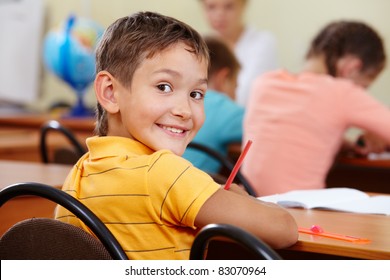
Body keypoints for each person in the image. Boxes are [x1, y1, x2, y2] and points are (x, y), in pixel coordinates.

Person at [54, 11, 297, 260]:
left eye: (196, 94)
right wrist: (246, 201)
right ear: (110, 93)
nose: (184, 110)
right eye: (164, 87)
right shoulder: (164, 172)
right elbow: (285, 229)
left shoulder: (78, 175)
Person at [242, 20, 390, 196]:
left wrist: (344, 144)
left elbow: (293, 131)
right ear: (351, 68)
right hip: (297, 215)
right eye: (363, 86)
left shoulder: (264, 83)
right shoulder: (341, 92)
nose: (361, 91)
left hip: (247, 206)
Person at [183, 36, 244, 175]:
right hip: (192, 191)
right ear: (223, 78)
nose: (235, 94)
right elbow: (264, 127)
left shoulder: (181, 101)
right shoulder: (221, 106)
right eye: (235, 86)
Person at [199, 0, 278, 106]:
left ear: (243, 5)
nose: (219, 14)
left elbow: (247, 96)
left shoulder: (263, 43)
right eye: (211, 7)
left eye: (229, 6)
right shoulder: (201, 45)